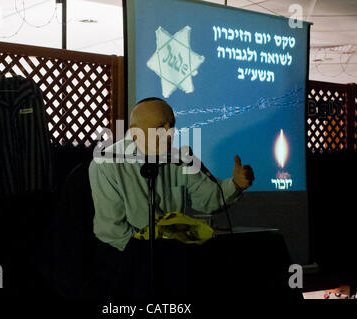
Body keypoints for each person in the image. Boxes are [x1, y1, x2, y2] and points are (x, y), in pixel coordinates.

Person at [88, 97, 254, 298]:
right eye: (161, 127)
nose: (170, 133)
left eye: (172, 126)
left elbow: (208, 199)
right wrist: (157, 253)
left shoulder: (179, 158)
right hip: (125, 260)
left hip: (170, 257)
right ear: (134, 132)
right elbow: (113, 230)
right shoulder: (107, 162)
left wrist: (235, 184)